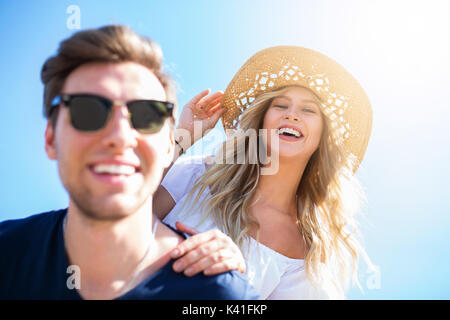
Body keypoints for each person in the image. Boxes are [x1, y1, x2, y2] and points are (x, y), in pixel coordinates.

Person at [0, 25, 258, 300]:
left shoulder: (221, 295)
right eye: (87, 110)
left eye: (147, 115)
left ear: (169, 144)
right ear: (51, 139)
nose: (120, 136)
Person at [154, 46, 375, 299]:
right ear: (261, 122)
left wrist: (232, 284)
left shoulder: (307, 254)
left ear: (322, 138)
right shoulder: (199, 176)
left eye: (308, 110)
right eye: (280, 106)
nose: (292, 115)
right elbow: (124, 217)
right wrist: (183, 138)